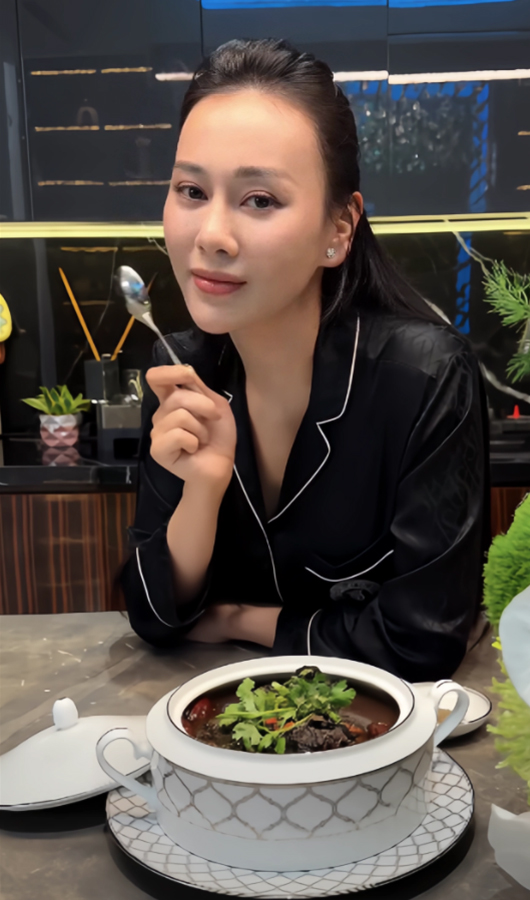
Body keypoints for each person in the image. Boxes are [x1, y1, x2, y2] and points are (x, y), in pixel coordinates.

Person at [118, 37, 490, 682]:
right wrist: (201, 492)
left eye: (260, 200)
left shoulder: (424, 378)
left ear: (338, 230)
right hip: (220, 725)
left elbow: (422, 641)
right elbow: (153, 615)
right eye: (191, 190)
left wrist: (241, 620)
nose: (211, 235)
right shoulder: (180, 368)